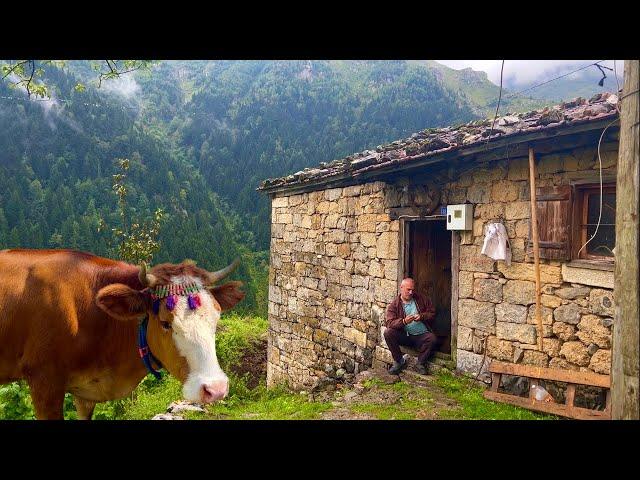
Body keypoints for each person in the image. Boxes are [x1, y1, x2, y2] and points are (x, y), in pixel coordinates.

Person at [384, 277, 437, 375]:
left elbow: (432, 313)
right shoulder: (394, 305)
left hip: (421, 335)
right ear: (401, 287)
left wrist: (421, 316)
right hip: (405, 336)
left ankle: (420, 363)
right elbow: (389, 323)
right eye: (408, 289)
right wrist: (403, 321)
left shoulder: (421, 299)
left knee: (432, 338)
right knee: (388, 332)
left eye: (412, 289)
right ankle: (399, 361)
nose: (411, 292)